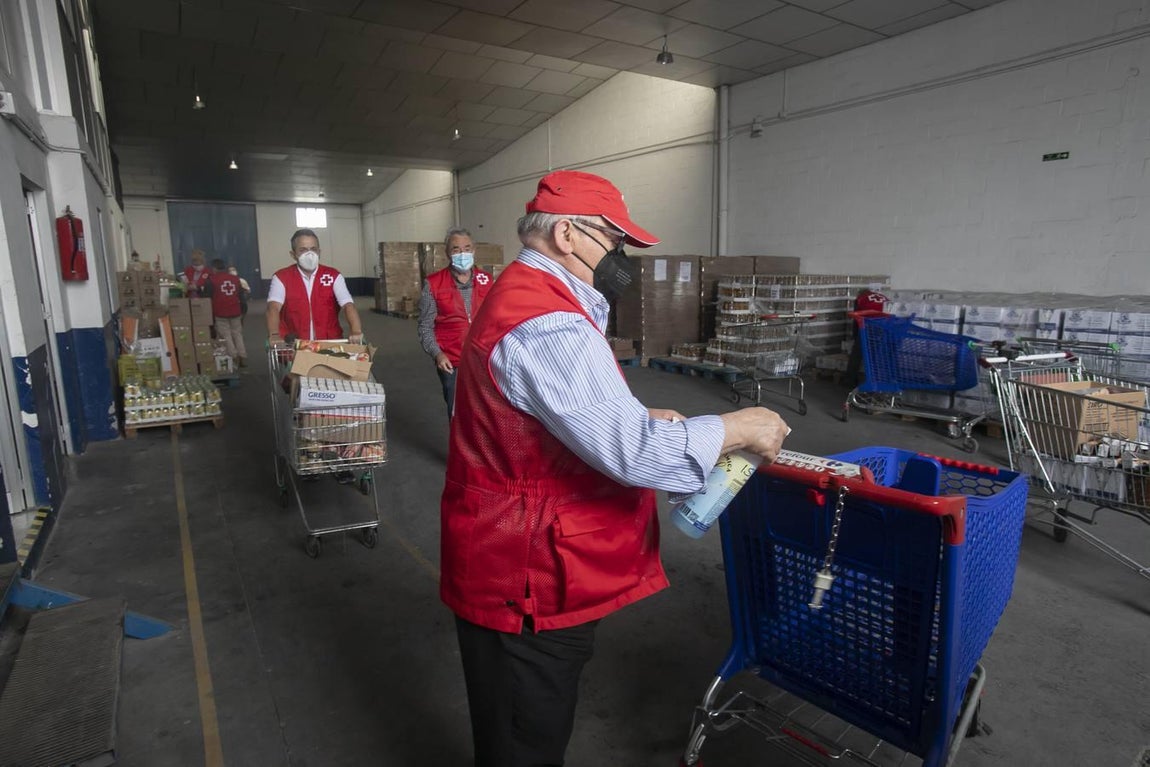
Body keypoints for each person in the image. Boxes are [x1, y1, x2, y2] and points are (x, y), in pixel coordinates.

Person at [440, 170, 790, 767]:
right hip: (526, 576)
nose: (622, 259)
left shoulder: (523, 292)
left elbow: (536, 409)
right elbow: (637, 454)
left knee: (518, 726)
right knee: (526, 741)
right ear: (569, 234)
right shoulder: (551, 324)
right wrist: (740, 426)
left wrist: (629, 412)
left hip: (506, 553)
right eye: (616, 242)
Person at [417, 227, 494, 417]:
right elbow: (425, 327)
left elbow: (496, 318)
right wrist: (438, 354)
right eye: (456, 249)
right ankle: (459, 447)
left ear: (474, 250)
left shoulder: (487, 280)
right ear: (447, 253)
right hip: (452, 360)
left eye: (467, 248)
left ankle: (482, 447)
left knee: (487, 410)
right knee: (458, 412)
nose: (463, 253)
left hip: (484, 357)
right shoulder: (433, 284)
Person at [266, 228, 363, 344]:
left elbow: (348, 305)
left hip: (329, 343)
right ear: (293, 254)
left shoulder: (333, 276)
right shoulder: (282, 277)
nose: (309, 254)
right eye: (303, 250)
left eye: (313, 249)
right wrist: (274, 334)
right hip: (294, 344)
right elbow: (273, 307)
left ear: (319, 252)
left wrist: (356, 331)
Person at [204, 259, 247, 369]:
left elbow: (207, 298)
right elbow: (242, 297)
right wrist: (243, 310)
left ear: (214, 268)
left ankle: (234, 357)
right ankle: (243, 356)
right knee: (237, 334)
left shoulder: (211, 280)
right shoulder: (236, 279)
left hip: (220, 312)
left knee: (226, 336)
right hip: (235, 311)